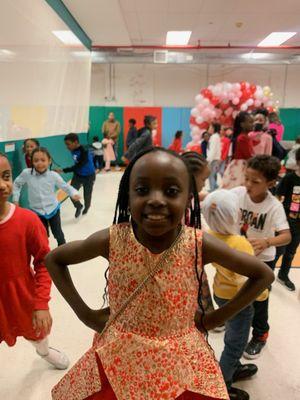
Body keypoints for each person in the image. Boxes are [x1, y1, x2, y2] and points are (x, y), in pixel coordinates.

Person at [46, 147, 273, 400]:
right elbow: (54, 259)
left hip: (179, 362)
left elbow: (262, 275)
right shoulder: (112, 239)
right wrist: (85, 314)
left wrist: (214, 318)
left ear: (189, 198)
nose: (156, 199)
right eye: (142, 190)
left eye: (171, 191)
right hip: (120, 358)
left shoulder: (198, 244)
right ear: (127, 196)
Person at [0, 152, 69, 370]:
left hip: (23, 297)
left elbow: (43, 262)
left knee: (38, 335)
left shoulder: (27, 220)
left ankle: (45, 351)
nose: (2, 185)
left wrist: (41, 303)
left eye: (6, 176)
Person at [203, 190, 266, 400]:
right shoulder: (240, 244)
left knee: (233, 331)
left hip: (221, 292)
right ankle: (224, 382)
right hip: (238, 299)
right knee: (236, 342)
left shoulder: (209, 236)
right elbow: (247, 278)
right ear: (233, 216)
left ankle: (233, 367)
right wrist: (262, 295)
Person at [230, 155, 291, 359]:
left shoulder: (274, 206)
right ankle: (233, 321)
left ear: (271, 184)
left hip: (264, 259)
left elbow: (286, 236)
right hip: (242, 254)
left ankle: (260, 334)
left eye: (255, 182)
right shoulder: (239, 193)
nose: (248, 184)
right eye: (246, 178)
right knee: (237, 290)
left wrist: (266, 241)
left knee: (259, 299)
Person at [13, 147, 80, 246]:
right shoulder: (26, 173)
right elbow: (17, 183)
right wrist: (15, 199)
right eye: (36, 160)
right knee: (42, 235)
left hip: (53, 209)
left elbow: (65, 186)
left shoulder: (53, 175)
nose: (39, 163)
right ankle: (45, 253)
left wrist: (74, 193)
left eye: (43, 160)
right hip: (37, 212)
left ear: (49, 161)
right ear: (32, 162)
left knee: (58, 233)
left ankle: (63, 250)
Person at [275, 147, 300, 291]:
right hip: (287, 219)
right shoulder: (290, 178)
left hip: (299, 223)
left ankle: (283, 275)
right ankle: (267, 275)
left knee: (291, 251)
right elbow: (278, 196)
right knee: (279, 249)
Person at [57, 133, 95, 218]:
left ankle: (87, 206)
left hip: (89, 176)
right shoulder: (72, 149)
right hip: (78, 175)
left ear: (76, 142)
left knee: (87, 194)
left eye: (68, 144)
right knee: (71, 192)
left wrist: (63, 170)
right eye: (66, 144)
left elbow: (80, 165)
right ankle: (78, 206)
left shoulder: (84, 150)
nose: (67, 147)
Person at [222, 112, 254, 189]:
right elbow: (248, 155)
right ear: (242, 124)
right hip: (241, 167)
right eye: (250, 122)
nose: (252, 124)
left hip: (238, 165)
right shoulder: (243, 138)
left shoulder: (244, 137)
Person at [207, 123, 221, 191]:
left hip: (213, 159)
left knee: (211, 175)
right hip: (215, 158)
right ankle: (214, 186)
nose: (209, 129)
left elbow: (213, 150)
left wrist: (209, 160)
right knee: (213, 174)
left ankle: (212, 190)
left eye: (210, 127)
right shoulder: (216, 136)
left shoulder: (214, 137)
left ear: (213, 128)